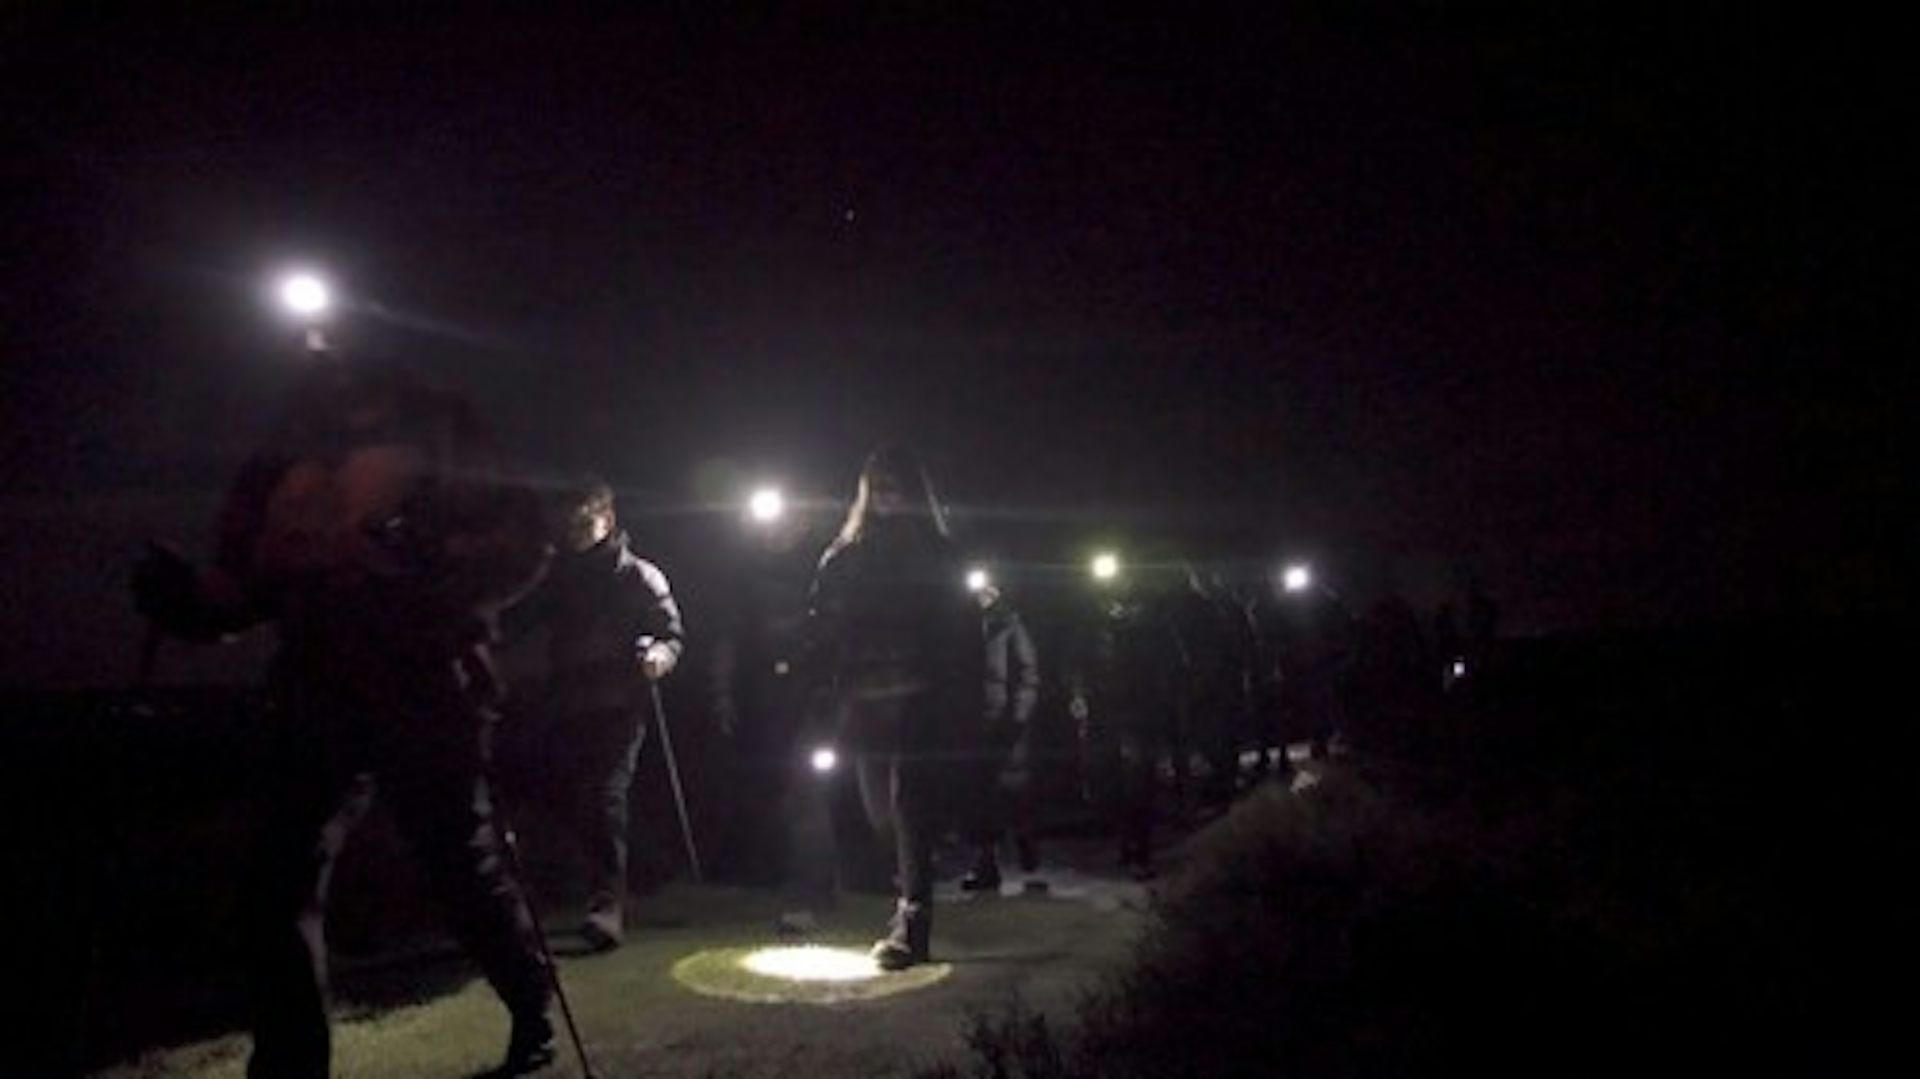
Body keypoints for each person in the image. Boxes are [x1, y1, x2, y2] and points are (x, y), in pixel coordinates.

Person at [132, 352, 559, 1077]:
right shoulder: (291, 440)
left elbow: (521, 542)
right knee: (276, 880)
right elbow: (252, 574)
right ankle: (291, 1062)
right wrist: (194, 601)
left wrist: (437, 561)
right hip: (317, 678)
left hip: (426, 678)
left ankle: (528, 999)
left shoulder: (445, 425)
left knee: (458, 861)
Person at [806, 444, 980, 969]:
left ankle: (914, 919)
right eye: (879, 488)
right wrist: (823, 676)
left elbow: (963, 630)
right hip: (867, 700)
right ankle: (908, 898)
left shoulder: (938, 554)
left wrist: (963, 697)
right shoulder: (847, 556)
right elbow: (822, 621)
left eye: (896, 488)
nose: (887, 498)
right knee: (880, 810)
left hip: (921, 699)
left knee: (909, 805)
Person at [496, 477, 684, 952]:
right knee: (567, 797)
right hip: (560, 702)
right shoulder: (551, 576)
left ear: (607, 517)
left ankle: (607, 904)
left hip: (616, 703)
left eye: (585, 519)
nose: (576, 529)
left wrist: (658, 657)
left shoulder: (637, 576)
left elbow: (669, 632)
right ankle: (609, 880)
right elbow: (516, 623)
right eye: (570, 521)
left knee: (605, 796)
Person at [1065, 568, 1185, 879]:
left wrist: (1160, 702)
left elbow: (1171, 666)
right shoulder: (1091, 627)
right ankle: (1125, 842)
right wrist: (1078, 694)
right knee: (1107, 782)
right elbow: (1075, 664)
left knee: (1138, 783)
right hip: (1103, 713)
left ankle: (1141, 851)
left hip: (1138, 713)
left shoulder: (1151, 627)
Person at [958, 574, 1041, 892]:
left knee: (1014, 788)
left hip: (1005, 720)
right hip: (974, 721)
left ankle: (1025, 840)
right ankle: (985, 862)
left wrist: (1019, 716)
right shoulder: (961, 628)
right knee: (979, 794)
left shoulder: (1009, 625)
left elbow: (1028, 672)